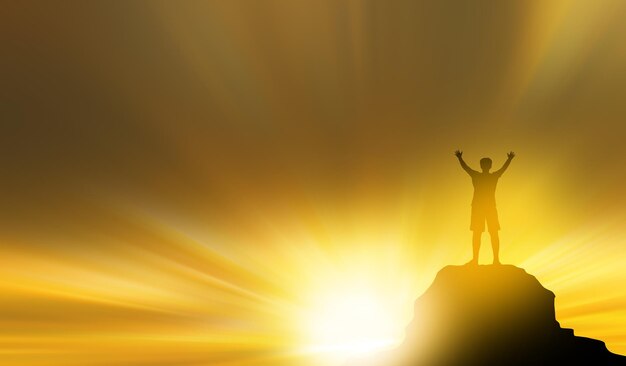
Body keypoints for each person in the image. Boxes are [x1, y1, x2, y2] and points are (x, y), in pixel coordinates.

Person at [455, 150, 515, 265]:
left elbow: (466, 168)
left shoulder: (477, 175)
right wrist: (509, 159)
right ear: (490, 166)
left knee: (481, 233)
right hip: (487, 207)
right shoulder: (493, 176)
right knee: (491, 233)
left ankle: (481, 260)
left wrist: (459, 158)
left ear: (481, 166)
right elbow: (503, 169)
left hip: (481, 207)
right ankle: (493, 260)